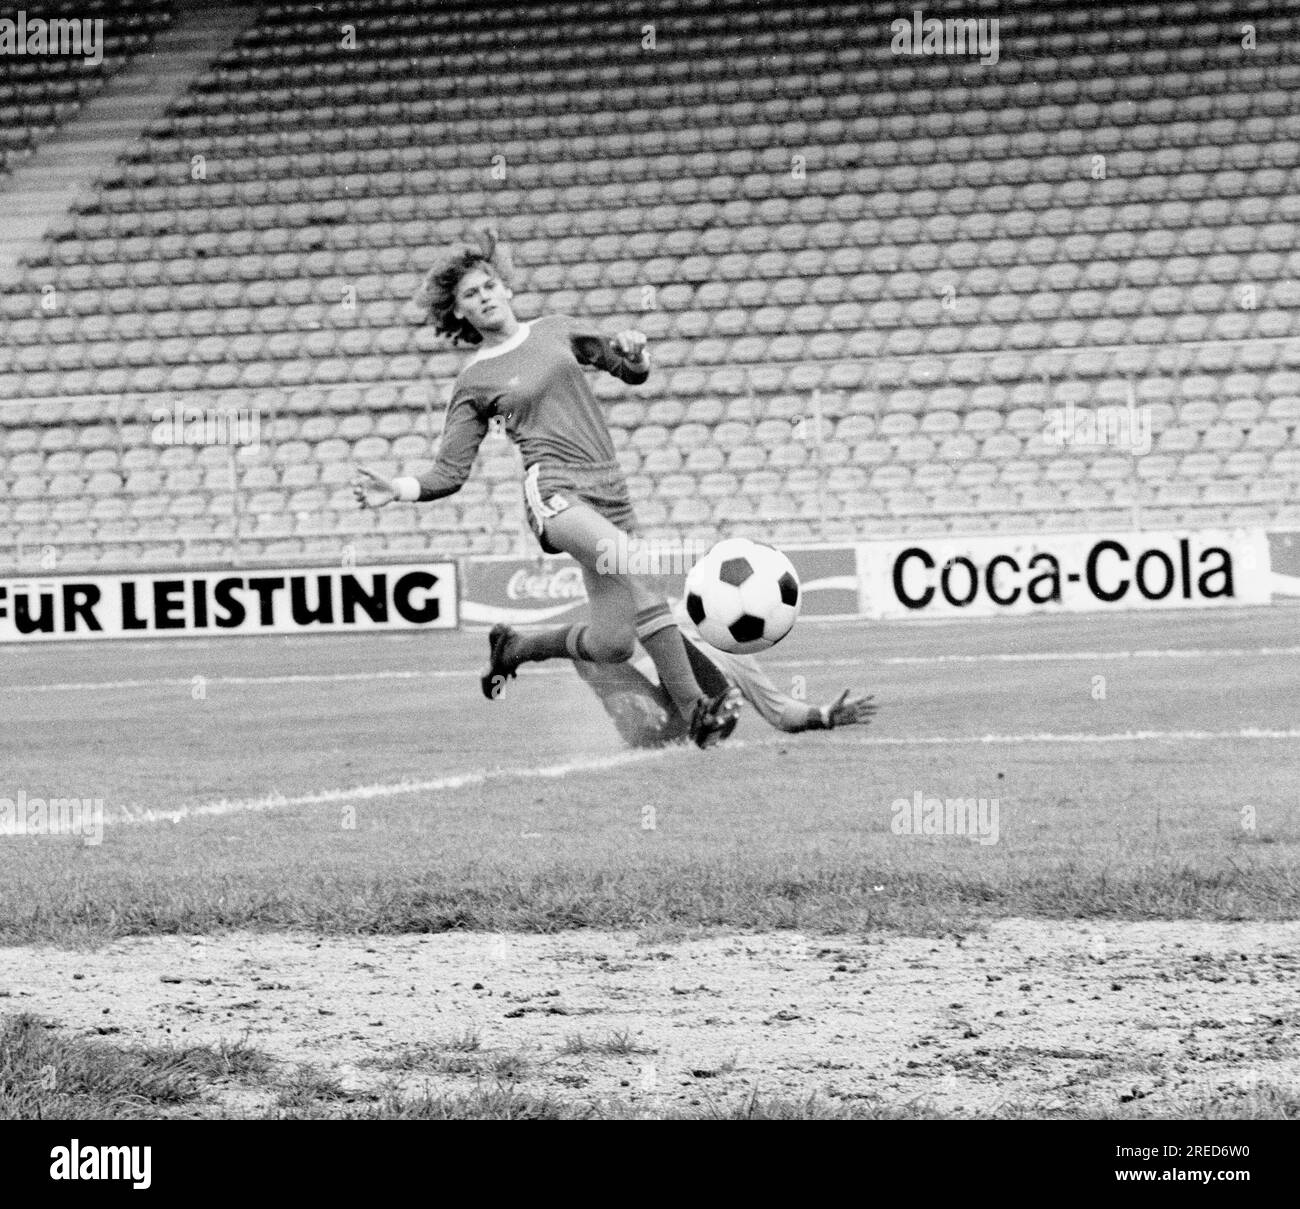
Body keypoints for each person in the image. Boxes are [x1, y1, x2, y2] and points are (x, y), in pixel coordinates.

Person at [353, 229, 741, 747]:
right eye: (470, 295)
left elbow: (627, 369)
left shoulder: (555, 331)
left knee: (613, 644)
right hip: (555, 492)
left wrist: (636, 353)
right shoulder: (475, 380)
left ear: (506, 288)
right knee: (636, 567)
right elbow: (450, 472)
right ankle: (697, 710)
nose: (484, 296)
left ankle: (513, 649)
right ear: (460, 315)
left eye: (488, 285)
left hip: (610, 489)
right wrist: (397, 488)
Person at [573, 620, 878, 747]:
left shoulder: (730, 652)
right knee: (584, 643)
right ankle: (644, 723)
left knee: (664, 634)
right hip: (662, 706)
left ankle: (707, 716)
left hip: (711, 708)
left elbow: (779, 711)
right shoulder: (667, 634)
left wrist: (824, 716)